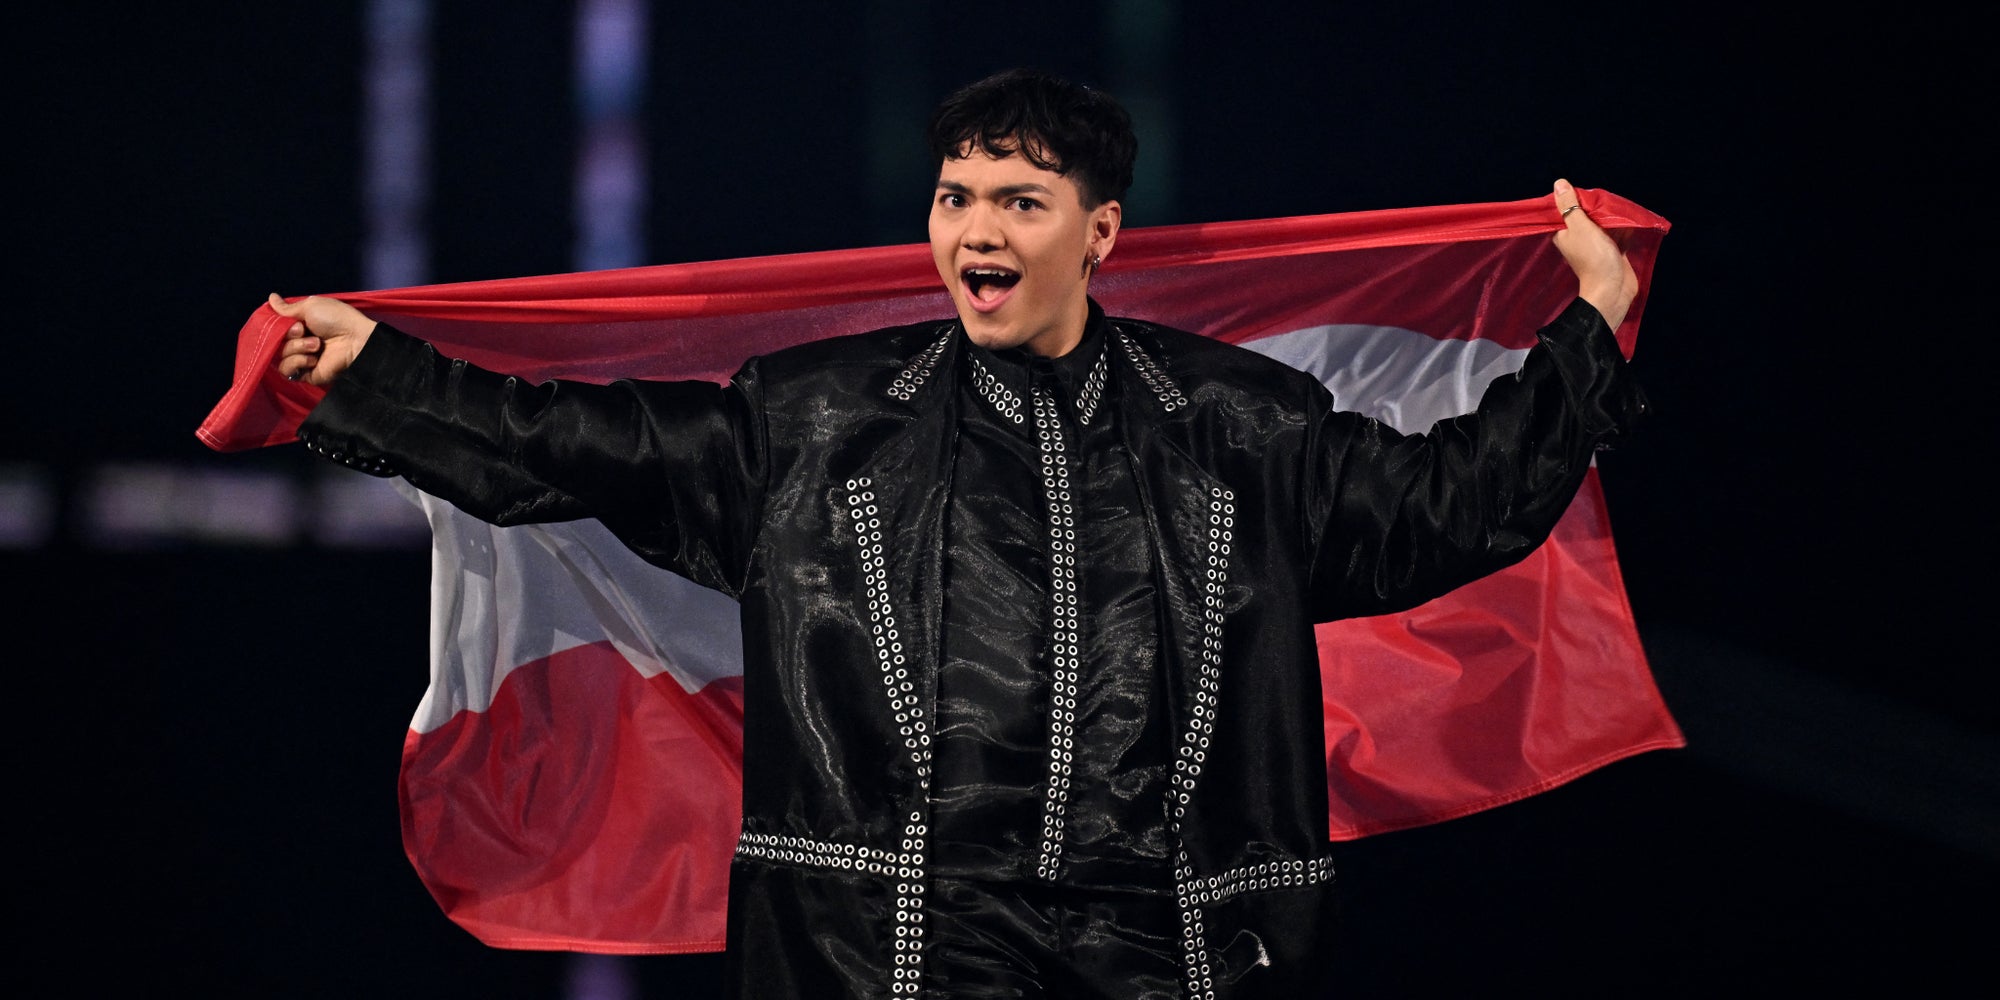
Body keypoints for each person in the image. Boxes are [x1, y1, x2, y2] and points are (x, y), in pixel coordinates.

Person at [270, 69, 1642, 999]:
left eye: (1018, 203)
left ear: (1099, 234)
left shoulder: (1240, 425)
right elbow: (566, 443)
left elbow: (1449, 506)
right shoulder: (812, 423)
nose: (975, 230)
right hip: (886, 956)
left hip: (1171, 960)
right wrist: (382, 373)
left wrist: (1588, 331)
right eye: (955, 196)